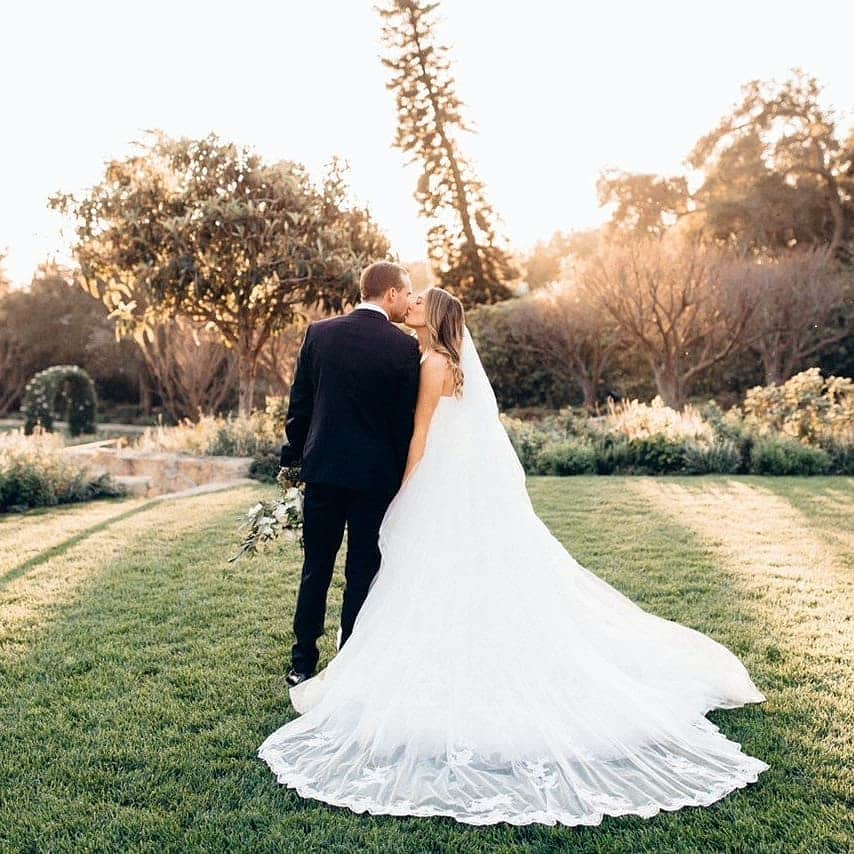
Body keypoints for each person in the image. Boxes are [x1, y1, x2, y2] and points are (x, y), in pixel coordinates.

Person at [260, 286, 768, 827]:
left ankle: (330, 657)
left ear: (433, 318)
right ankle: (370, 647)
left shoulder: (427, 362)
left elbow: (420, 435)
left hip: (424, 482)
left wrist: (403, 488)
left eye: (417, 304)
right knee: (429, 572)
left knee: (399, 571)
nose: (409, 307)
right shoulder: (442, 362)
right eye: (405, 297)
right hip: (453, 484)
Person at [280, 261, 420, 687]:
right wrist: (401, 476)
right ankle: (350, 660)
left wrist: (295, 458)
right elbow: (404, 423)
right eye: (407, 292)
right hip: (375, 480)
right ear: (391, 293)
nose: (409, 301)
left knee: (315, 567)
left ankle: (302, 662)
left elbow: (299, 405)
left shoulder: (319, 333)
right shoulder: (404, 348)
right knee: (362, 570)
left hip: (323, 471)